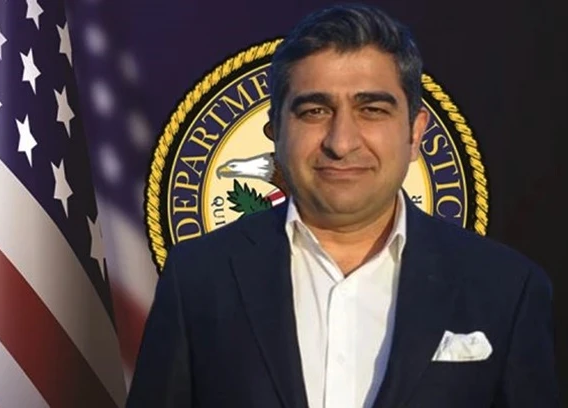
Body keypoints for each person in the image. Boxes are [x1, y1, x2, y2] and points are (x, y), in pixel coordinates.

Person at [126, 4, 560, 407]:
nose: (341, 141)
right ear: (276, 132)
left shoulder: (508, 290)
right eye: (315, 111)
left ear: (415, 133)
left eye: (372, 110)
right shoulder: (198, 278)